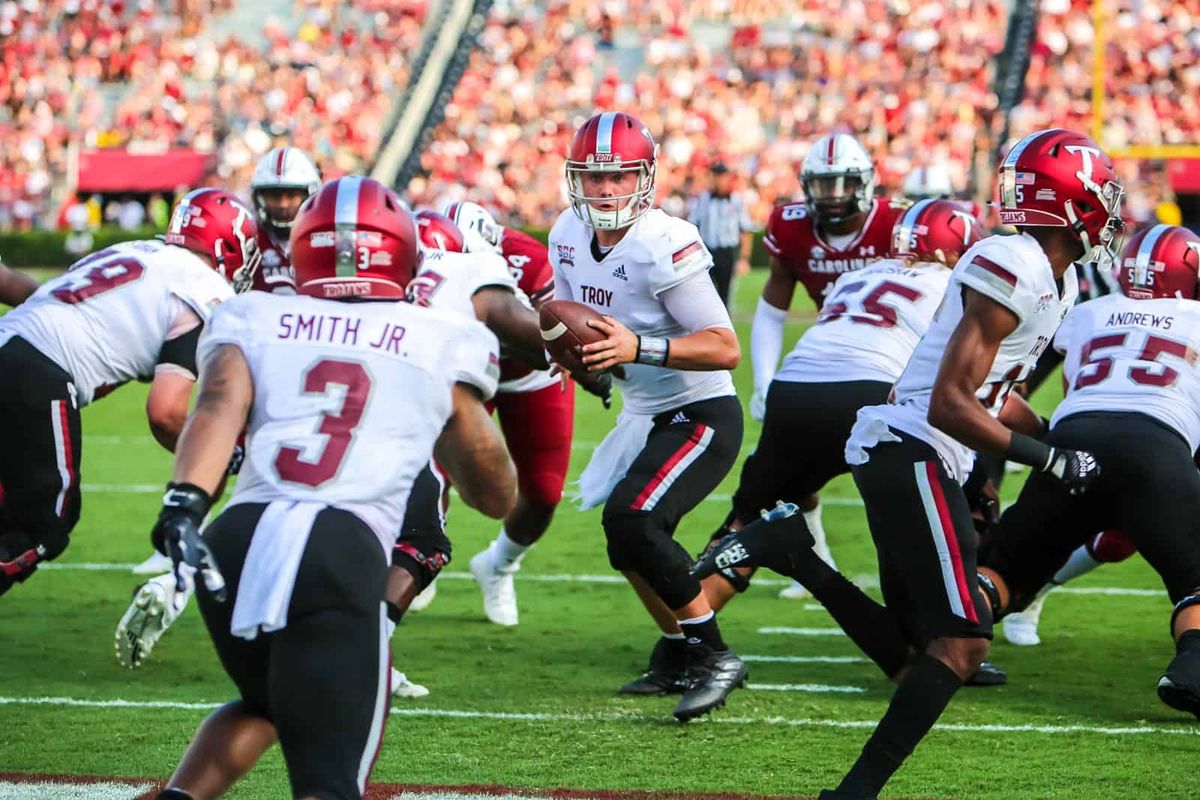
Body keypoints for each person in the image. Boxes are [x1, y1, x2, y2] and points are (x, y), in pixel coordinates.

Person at [696, 128, 1123, 797]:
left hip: (917, 449)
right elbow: (952, 404)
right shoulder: (1014, 263)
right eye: (1101, 193)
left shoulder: (1056, 278)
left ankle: (792, 551)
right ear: (1070, 201)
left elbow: (995, 394)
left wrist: (1056, 437)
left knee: (912, 655)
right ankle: (852, 793)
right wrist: (1050, 460)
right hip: (914, 449)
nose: (1111, 207)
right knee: (964, 642)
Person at [149, 176, 516, 800]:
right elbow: (494, 494)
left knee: (266, 704)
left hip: (235, 543)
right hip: (338, 552)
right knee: (329, 778)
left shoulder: (253, 313)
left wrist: (184, 504)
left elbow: (215, 408)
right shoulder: (437, 335)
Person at [549, 111, 744, 722]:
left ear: (645, 177)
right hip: (642, 411)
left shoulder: (664, 240)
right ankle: (679, 648)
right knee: (625, 541)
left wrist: (639, 347)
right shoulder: (566, 233)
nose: (607, 190)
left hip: (699, 409)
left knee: (633, 518)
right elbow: (568, 321)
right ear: (576, 179)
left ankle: (715, 656)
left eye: (621, 176)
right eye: (595, 177)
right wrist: (574, 359)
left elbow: (724, 347)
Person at [697, 199, 972, 609]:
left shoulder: (857, 276)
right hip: (869, 391)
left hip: (793, 389)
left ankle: (689, 630)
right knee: (929, 514)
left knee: (745, 523)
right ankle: (941, 625)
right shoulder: (954, 285)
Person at [977, 224, 1200, 714]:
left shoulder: (1087, 312)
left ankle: (936, 631)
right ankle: (1192, 670)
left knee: (1003, 569)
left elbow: (1030, 386)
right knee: (1192, 580)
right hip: (1156, 445)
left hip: (1072, 441)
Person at [0, 188, 257, 597]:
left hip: (11, 344)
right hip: (38, 373)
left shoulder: (134, 250)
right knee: (44, 526)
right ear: (229, 247)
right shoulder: (204, 290)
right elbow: (165, 412)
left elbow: (37, 298)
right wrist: (219, 456)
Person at [752, 132, 908, 598]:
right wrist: (764, 381)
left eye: (844, 184)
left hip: (895, 357)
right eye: (823, 185)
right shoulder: (791, 226)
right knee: (793, 468)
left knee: (897, 470)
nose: (834, 195)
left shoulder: (898, 223)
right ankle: (818, 560)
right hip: (832, 356)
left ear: (866, 183)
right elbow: (771, 311)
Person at [442, 200, 578, 627]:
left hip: (527, 374)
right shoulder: (423, 255)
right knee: (428, 477)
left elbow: (551, 345)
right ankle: (422, 549)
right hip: (460, 373)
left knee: (544, 491)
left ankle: (499, 565)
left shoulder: (532, 262)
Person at [246, 146, 322, 294]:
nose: (283, 204)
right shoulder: (248, 241)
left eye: (291, 195)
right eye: (274, 196)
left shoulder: (325, 240)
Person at [687, 162, 754, 307]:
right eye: (716, 176)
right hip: (707, 251)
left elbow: (745, 230)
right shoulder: (702, 199)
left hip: (727, 252)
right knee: (705, 293)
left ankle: (725, 320)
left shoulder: (736, 200)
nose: (718, 180)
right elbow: (692, 226)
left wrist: (744, 258)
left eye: (722, 176)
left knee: (726, 293)